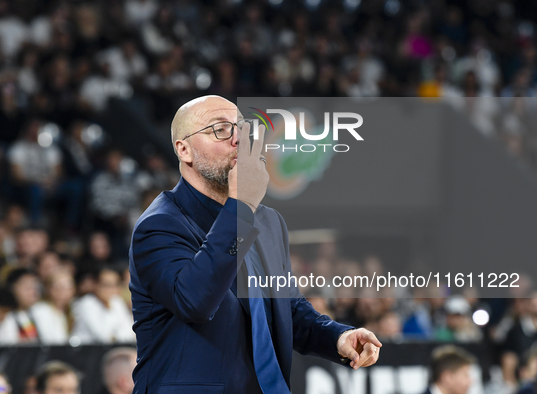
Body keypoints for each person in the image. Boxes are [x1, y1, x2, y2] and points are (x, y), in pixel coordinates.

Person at [129, 95, 382, 393]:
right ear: (184, 150)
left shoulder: (268, 221)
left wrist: (337, 338)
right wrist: (241, 206)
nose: (238, 139)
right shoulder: (160, 224)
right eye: (220, 130)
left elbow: (286, 306)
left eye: (241, 128)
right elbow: (195, 301)